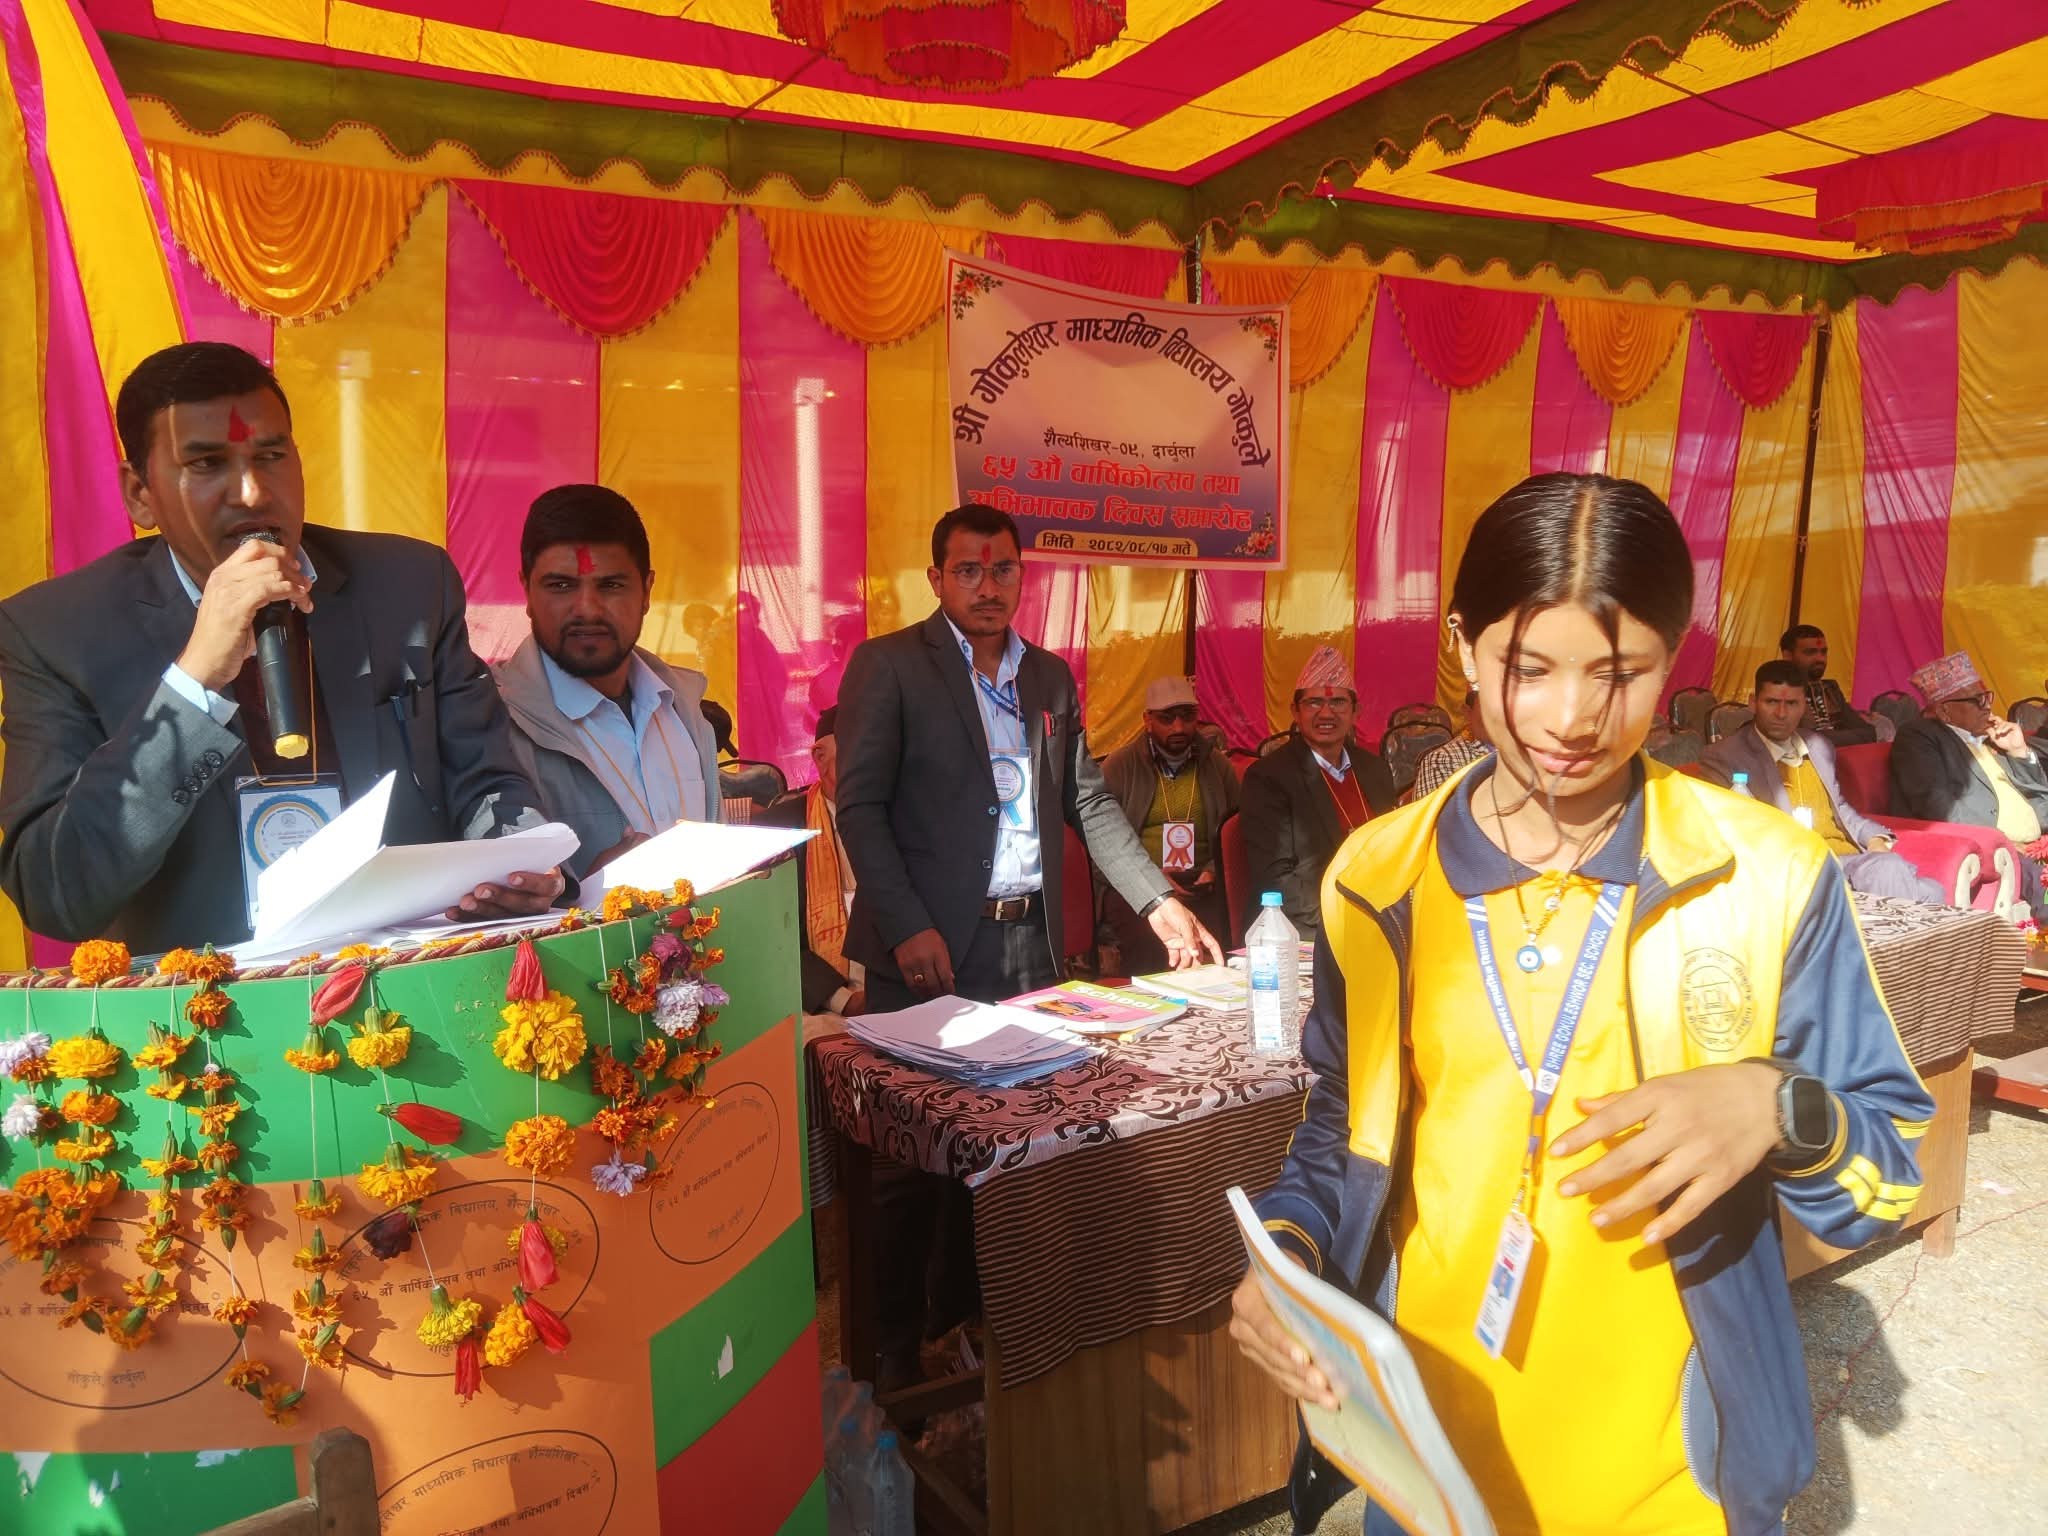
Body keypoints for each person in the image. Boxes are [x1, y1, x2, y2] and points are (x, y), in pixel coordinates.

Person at [1230, 473, 1931, 1536]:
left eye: (1619, 674)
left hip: (1673, 1486)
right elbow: (1340, 1123)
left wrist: (1777, 1105)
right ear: (1464, 646)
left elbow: (1883, 1180)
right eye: (1528, 668)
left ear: (1672, 658)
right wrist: (1287, 1256)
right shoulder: (1375, 880)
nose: (1571, 719)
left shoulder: (1764, 877)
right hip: (1426, 1471)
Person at [0, 342, 566, 952]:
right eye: (207, 463)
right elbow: (56, 895)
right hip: (207, 1000)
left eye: (270, 456)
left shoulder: (408, 587)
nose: (252, 492)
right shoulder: (56, 632)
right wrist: (194, 683)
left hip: (407, 976)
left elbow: (487, 781)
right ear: (140, 493)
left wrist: (520, 859)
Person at [835, 502, 1223, 1386]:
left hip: (1025, 953)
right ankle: (892, 1358)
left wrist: (1157, 901)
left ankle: (973, 1327)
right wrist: (908, 923)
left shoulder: (1048, 678)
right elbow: (860, 805)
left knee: (1009, 1150)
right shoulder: (889, 666)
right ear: (936, 579)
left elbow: (1085, 800)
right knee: (910, 1162)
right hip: (927, 951)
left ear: (1022, 576)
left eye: (1002, 569)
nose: (987, 587)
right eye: (968, 571)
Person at [492, 486, 724, 878]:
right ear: (526, 591)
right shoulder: (489, 726)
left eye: (611, 585)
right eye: (561, 585)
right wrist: (587, 891)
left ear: (647, 591)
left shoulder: (682, 707)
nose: (587, 609)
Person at [1701, 662, 1946, 904]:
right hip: (1800, 869)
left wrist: (1875, 838)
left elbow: (1839, 808)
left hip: (1848, 863)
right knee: (1896, 875)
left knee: (1928, 888)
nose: (1781, 714)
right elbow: (1734, 831)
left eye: (1791, 704)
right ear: (1753, 703)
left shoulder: (1817, 746)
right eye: (1772, 702)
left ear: (1804, 706)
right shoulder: (1726, 756)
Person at [1236, 647, 1396, 938]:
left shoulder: (1376, 769)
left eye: (1338, 702)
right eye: (1314, 703)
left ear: (1356, 711)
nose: (1326, 713)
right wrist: (1347, 916)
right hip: (1307, 925)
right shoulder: (1268, 777)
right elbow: (1276, 878)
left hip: (1378, 915)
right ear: (1295, 712)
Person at [1097, 675, 1240, 972]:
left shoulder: (1218, 766)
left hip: (1203, 885)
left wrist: (1213, 870)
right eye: (1167, 718)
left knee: (1216, 949)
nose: (1178, 727)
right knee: (1154, 946)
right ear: (1147, 720)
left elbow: (1237, 834)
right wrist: (1152, 880)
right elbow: (1100, 843)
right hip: (1138, 886)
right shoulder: (1119, 767)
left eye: (1187, 717)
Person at [1891, 650, 2048, 917]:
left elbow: (2041, 799)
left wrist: (2019, 751)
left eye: (1987, 697)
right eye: (1977, 700)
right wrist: (2001, 841)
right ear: (1945, 711)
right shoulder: (1919, 736)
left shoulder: (1993, 737)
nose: (1987, 706)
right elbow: (1936, 804)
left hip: (2038, 841)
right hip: (2002, 845)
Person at [758, 707, 863, 1017]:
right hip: (816, 1004)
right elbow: (769, 931)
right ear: (820, 756)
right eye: (860, 749)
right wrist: (843, 1000)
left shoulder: (908, 818)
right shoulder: (778, 830)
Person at [1780, 623, 1877, 744]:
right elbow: (1797, 739)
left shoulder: (1830, 689)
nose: (1820, 659)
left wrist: (1825, 738)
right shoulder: (1777, 691)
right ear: (1788, 655)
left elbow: (1869, 733)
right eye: (1810, 652)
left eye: (1823, 652)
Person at [1407, 687, 1493, 801]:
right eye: (1489, 707)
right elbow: (1437, 812)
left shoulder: (1515, 754)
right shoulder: (1441, 761)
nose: (1499, 717)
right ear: (1468, 713)